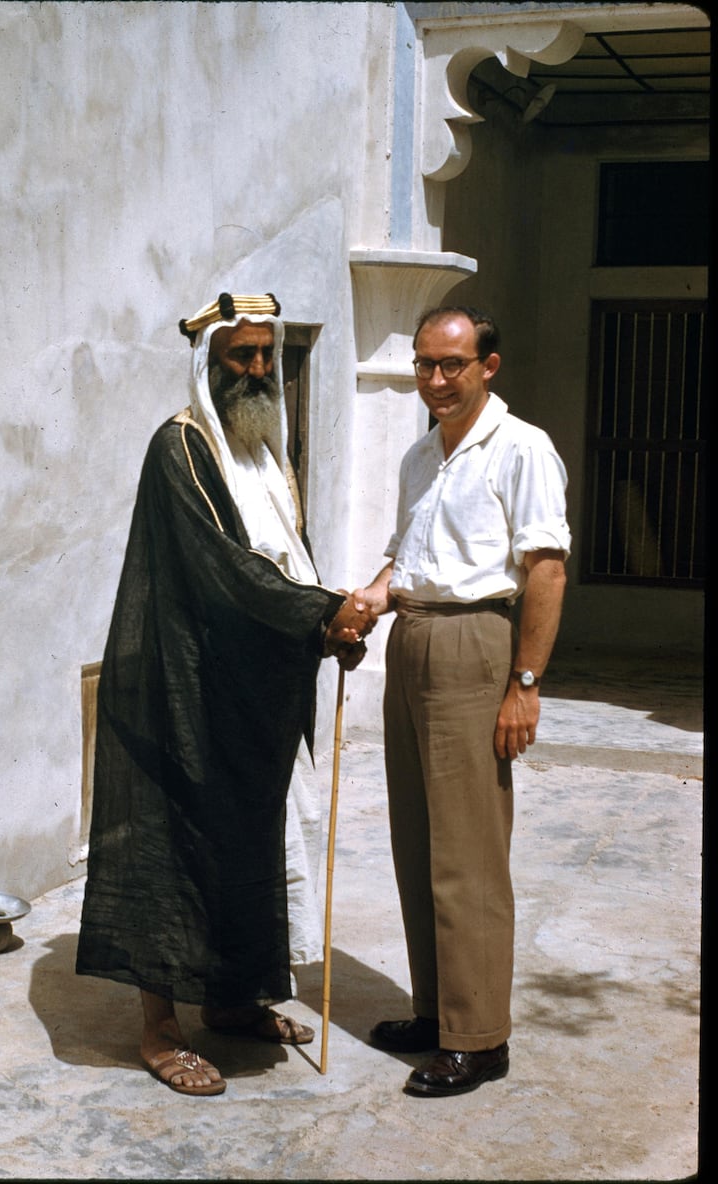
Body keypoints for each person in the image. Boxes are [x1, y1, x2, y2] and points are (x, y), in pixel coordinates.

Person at [76, 292, 373, 1096]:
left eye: (266, 355)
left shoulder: (264, 454)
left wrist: (328, 624)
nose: (257, 369)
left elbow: (285, 558)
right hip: (187, 686)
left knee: (251, 846)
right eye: (240, 355)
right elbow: (225, 566)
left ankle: (235, 1001)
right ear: (208, 360)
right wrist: (323, 615)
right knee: (177, 852)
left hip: (255, 691)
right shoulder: (181, 447)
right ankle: (160, 1029)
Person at [355, 305, 570, 1097]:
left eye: (452, 365)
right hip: (411, 641)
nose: (435, 381)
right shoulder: (421, 454)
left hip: (475, 646)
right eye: (423, 365)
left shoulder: (522, 449)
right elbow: (402, 558)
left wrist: (525, 684)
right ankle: (439, 1011)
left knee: (469, 853)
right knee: (418, 843)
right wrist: (367, 603)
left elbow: (545, 569)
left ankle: (479, 1040)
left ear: (489, 365)